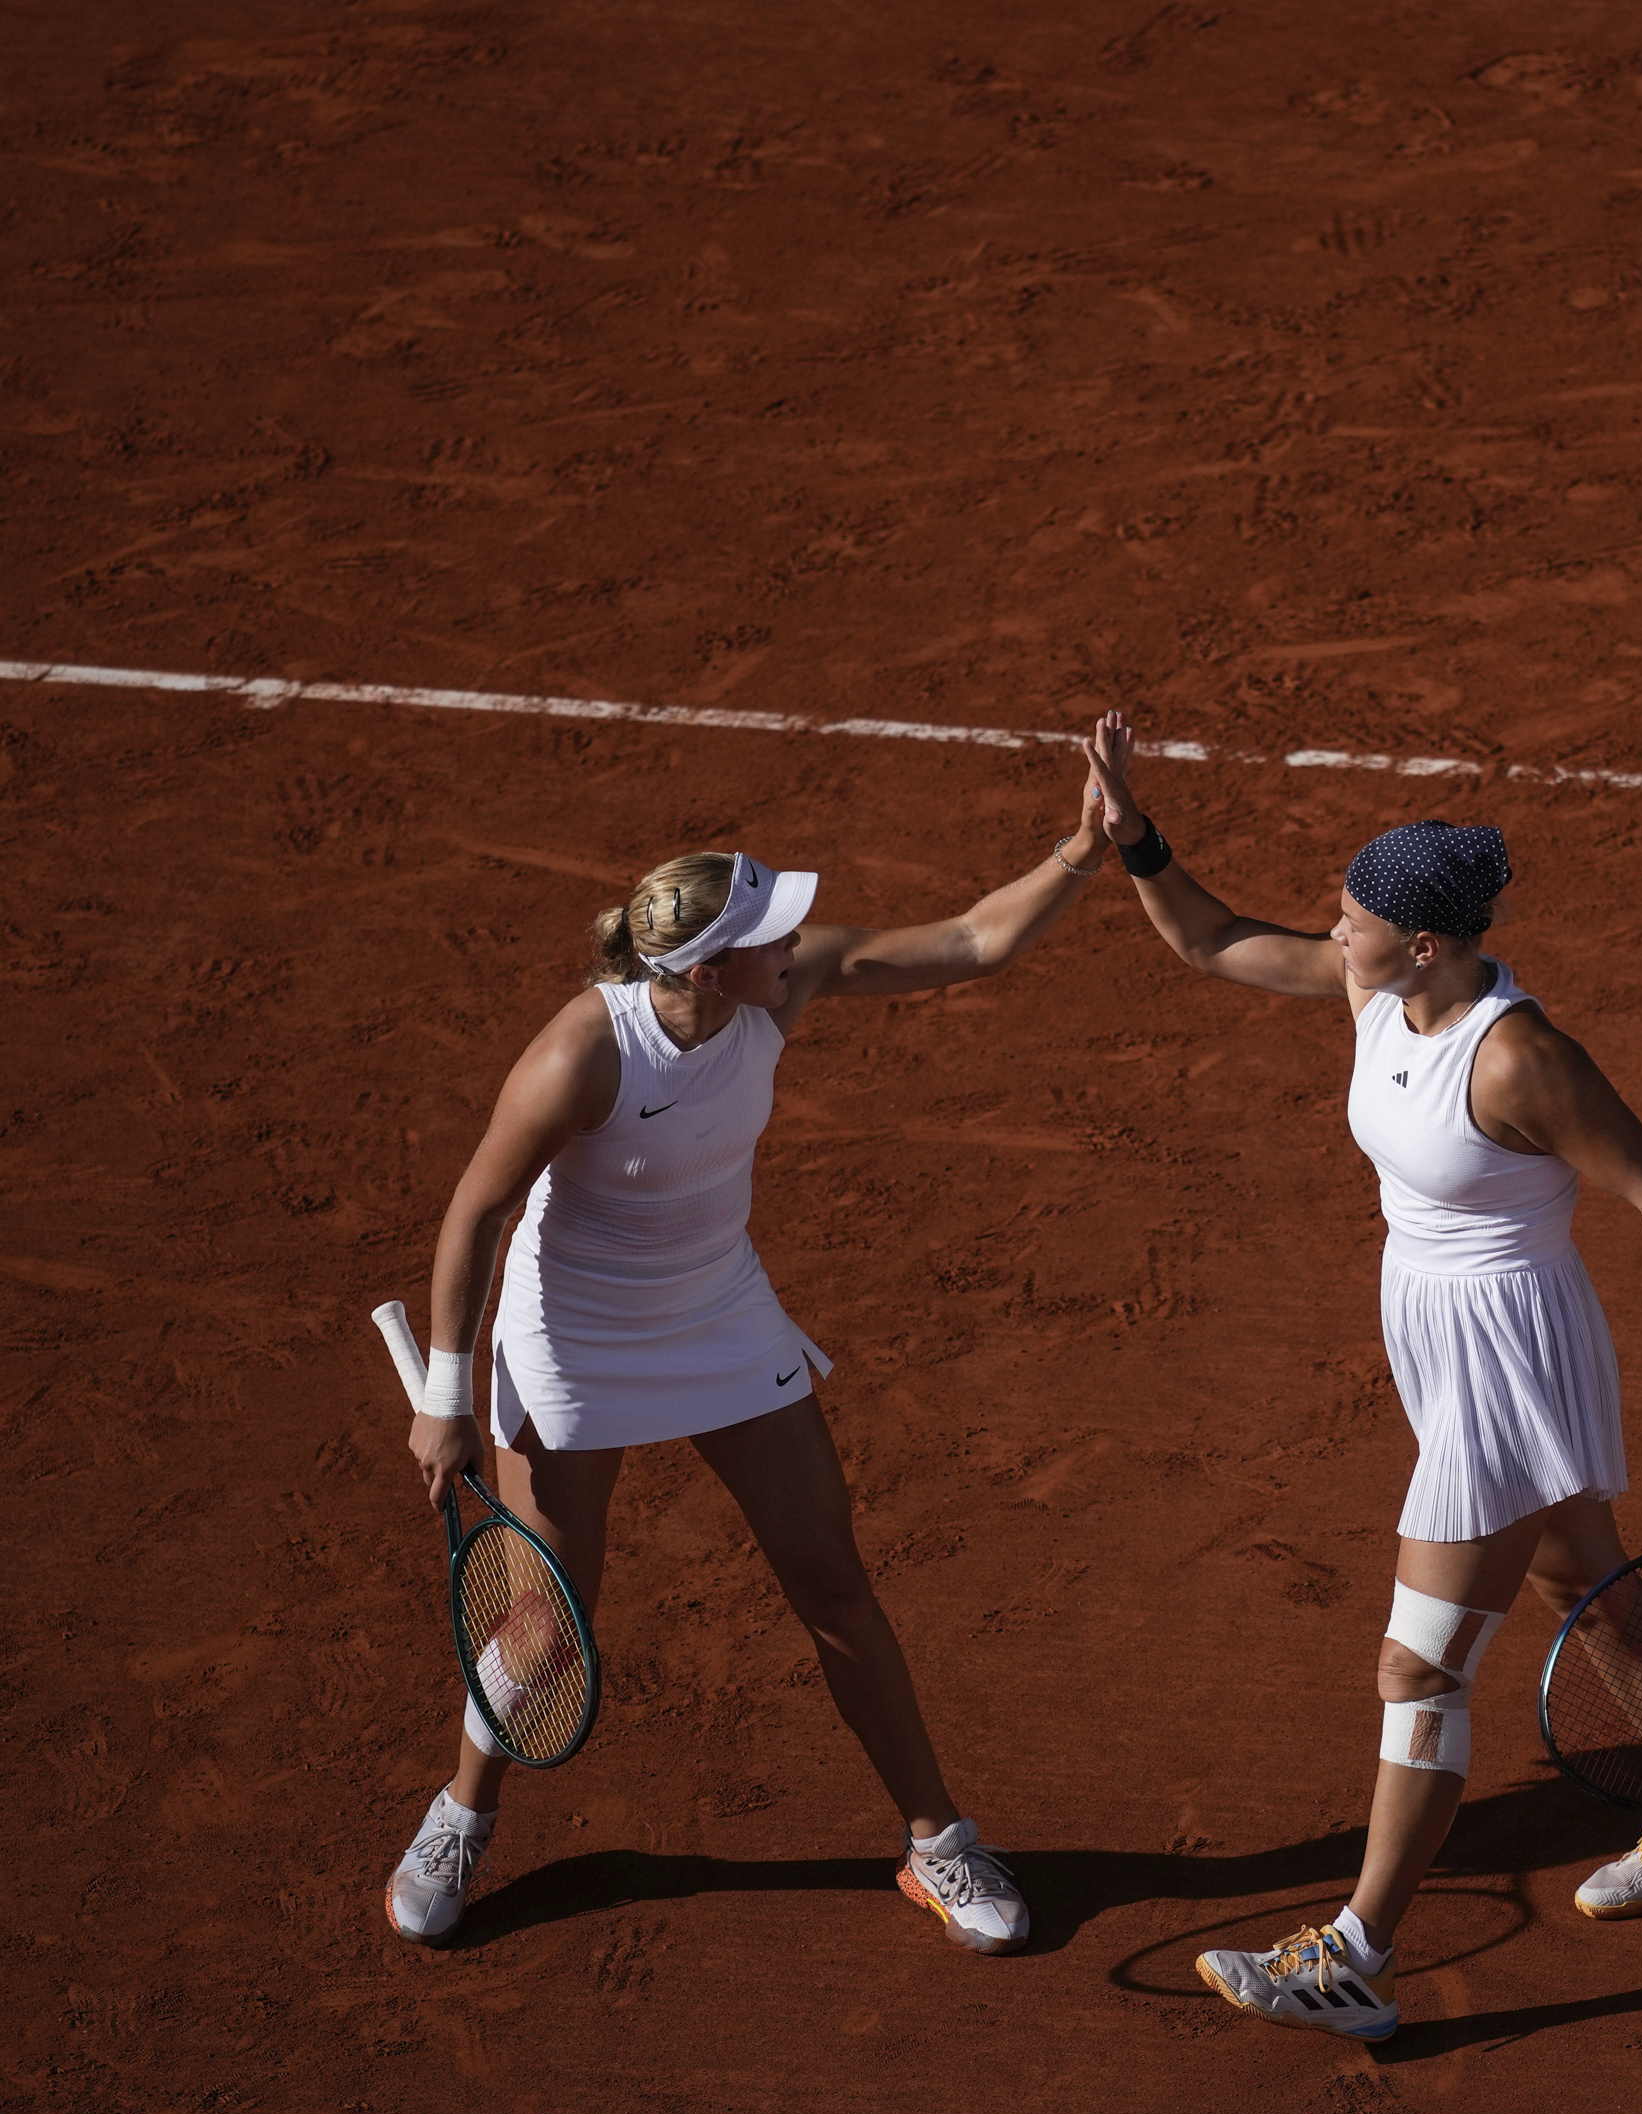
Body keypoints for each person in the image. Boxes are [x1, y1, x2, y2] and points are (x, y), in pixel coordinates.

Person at [1072, 712, 1642, 2042]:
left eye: (1350, 917)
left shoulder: (1520, 1056)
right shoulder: (1378, 988)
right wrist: (1136, 837)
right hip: (1438, 1335)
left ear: (1426, 939)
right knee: (1594, 1587)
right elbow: (1212, 937)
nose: (1329, 930)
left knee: (1419, 1670)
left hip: (1509, 1359)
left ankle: (1357, 1953)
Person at [381, 764, 1120, 1955]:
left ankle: (937, 1842)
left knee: (831, 1581)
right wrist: (445, 1394)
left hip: (718, 1312)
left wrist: (1082, 849)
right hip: (576, 1337)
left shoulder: (777, 986)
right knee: (542, 1621)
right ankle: (462, 1814)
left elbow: (975, 939)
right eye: (768, 936)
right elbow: (476, 1211)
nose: (797, 944)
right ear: (704, 969)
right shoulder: (583, 1052)